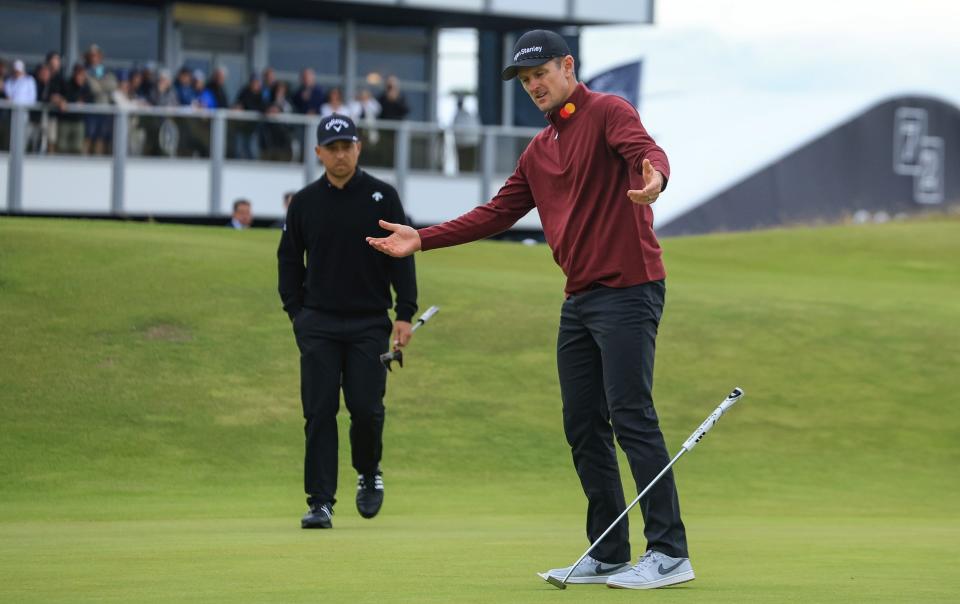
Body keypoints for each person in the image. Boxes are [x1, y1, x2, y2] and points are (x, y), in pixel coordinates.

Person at [366, 29, 690, 590]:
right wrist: (423, 238)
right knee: (583, 425)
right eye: (525, 79)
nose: (534, 84)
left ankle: (668, 551)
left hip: (630, 288)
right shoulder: (539, 152)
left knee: (631, 416)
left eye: (541, 73)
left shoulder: (609, 111)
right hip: (581, 299)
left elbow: (647, 151)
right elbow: (495, 214)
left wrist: (655, 178)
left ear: (568, 67)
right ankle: (611, 550)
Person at [277, 114, 417, 529]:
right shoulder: (303, 202)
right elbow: (288, 261)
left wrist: (404, 313)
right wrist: (297, 314)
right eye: (332, 148)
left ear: (358, 148)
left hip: (370, 323)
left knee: (367, 409)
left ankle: (368, 471)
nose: (340, 154)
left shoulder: (382, 196)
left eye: (347, 146)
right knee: (319, 411)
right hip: (317, 322)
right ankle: (320, 501)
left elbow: (401, 256)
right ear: (318, 152)